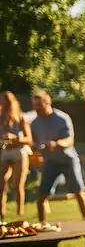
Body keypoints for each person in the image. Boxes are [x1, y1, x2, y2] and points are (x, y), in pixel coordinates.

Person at [30, 91, 85, 222]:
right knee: (41, 197)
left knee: (78, 191)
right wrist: (33, 146)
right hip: (50, 162)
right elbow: (34, 141)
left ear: (48, 103)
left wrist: (56, 143)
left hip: (68, 160)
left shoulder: (61, 118)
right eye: (35, 105)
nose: (37, 108)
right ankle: (42, 225)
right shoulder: (34, 123)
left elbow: (69, 140)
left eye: (40, 105)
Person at [0, 92, 33, 221]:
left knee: (17, 184)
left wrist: (15, 138)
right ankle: (1, 212)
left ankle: (20, 212)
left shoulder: (20, 118)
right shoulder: (1, 118)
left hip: (19, 152)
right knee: (1, 183)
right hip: (5, 152)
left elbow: (29, 139)